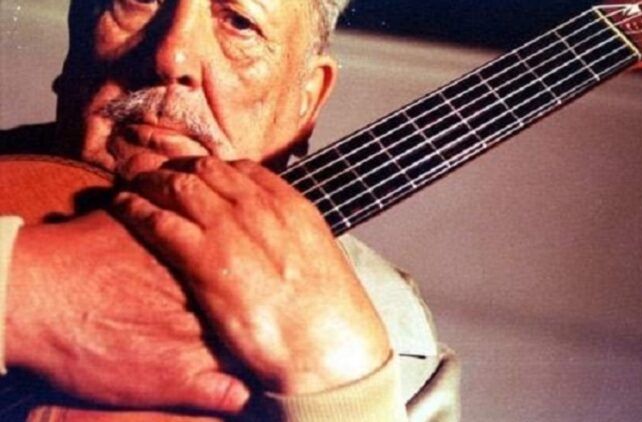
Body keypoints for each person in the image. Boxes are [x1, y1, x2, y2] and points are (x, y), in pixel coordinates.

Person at [0, 0, 459, 421]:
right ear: (77, 34)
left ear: (306, 102)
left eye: (240, 23)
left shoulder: (400, 352)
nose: (172, 57)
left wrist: (350, 403)